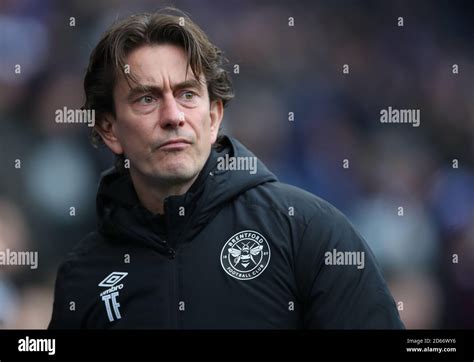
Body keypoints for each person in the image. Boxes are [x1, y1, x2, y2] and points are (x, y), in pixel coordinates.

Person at [49, 8, 404, 329]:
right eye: (147, 98)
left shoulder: (308, 231)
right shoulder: (83, 275)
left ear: (215, 116)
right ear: (109, 129)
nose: (173, 116)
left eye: (188, 94)